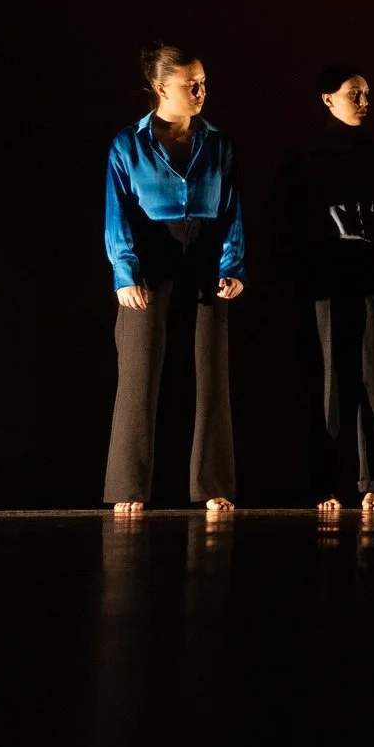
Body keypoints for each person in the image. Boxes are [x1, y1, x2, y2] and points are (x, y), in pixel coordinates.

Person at [103, 43, 245, 517]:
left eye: (203, 82)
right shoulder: (129, 143)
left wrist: (231, 264)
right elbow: (117, 214)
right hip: (151, 249)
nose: (202, 91)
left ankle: (212, 485)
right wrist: (125, 272)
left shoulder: (217, 141)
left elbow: (231, 208)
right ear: (162, 88)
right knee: (140, 369)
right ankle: (129, 485)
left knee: (210, 369)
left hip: (204, 249)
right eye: (191, 84)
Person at [278, 64, 374, 516]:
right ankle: (326, 481)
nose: (365, 102)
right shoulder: (305, 158)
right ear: (328, 99)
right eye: (355, 94)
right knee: (331, 382)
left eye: (367, 94)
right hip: (326, 282)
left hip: (372, 281)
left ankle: (371, 481)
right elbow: (288, 227)